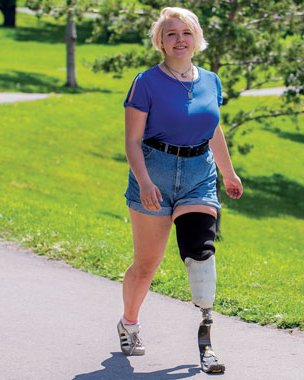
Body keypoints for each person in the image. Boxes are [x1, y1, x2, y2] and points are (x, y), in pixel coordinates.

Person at [117, 6, 243, 372]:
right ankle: (129, 323)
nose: (179, 40)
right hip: (153, 171)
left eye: (186, 32)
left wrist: (228, 173)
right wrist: (143, 181)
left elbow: (213, 129)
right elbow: (131, 139)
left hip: (198, 174)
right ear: (160, 41)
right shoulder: (146, 82)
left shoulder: (211, 81)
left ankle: (206, 336)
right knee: (146, 265)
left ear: (197, 38)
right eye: (171, 33)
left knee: (200, 251)